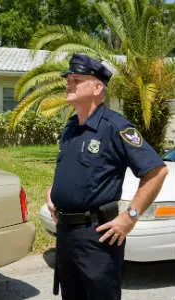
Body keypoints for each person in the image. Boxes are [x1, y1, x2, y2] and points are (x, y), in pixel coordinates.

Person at [46, 53, 168, 300]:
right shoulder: (70, 127)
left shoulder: (116, 126)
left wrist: (130, 217)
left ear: (97, 86)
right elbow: (71, 169)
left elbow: (156, 171)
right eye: (68, 78)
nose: (68, 83)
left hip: (97, 235)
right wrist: (54, 191)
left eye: (76, 79)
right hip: (67, 234)